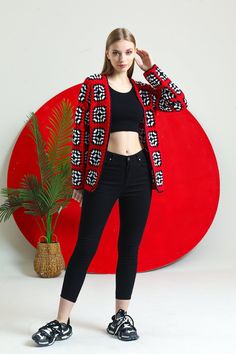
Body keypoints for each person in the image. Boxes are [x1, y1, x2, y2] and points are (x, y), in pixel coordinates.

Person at [32, 27, 188, 346]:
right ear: (107, 53)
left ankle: (120, 316)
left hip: (140, 173)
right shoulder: (94, 87)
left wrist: (152, 69)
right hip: (105, 172)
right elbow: (79, 133)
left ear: (135, 54)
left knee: (129, 247)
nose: (122, 58)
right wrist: (78, 179)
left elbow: (178, 102)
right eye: (116, 52)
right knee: (86, 246)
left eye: (128, 52)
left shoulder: (144, 91)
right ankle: (62, 321)